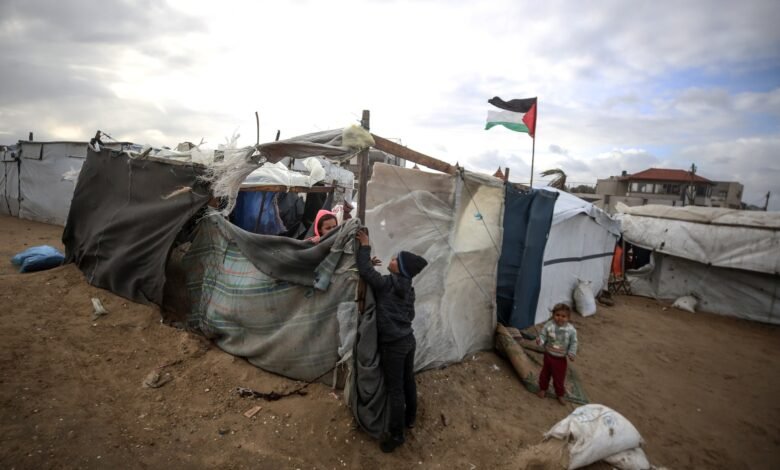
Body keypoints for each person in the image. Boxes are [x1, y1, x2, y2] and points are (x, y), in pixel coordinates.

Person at [355, 228, 428, 453]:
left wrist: (365, 245)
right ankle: (410, 418)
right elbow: (410, 314)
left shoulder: (386, 285)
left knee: (395, 389)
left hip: (394, 345)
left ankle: (397, 435)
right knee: (408, 381)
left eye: (395, 260)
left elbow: (365, 271)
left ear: (401, 269)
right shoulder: (408, 289)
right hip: (408, 340)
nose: (391, 260)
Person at [536, 303, 578, 405]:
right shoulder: (549, 325)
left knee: (559, 377)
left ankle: (560, 394)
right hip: (548, 356)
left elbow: (574, 342)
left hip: (560, 359)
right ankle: (543, 388)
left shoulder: (571, 330)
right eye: (557, 315)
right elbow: (543, 335)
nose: (560, 318)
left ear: (568, 318)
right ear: (553, 315)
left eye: (563, 316)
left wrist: (571, 353)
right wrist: (540, 341)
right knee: (545, 374)